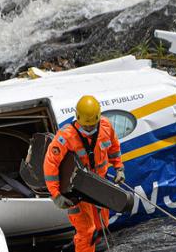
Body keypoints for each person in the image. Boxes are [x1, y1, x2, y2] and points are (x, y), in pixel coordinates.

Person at [43, 95, 125, 252]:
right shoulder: (66, 137)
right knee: (86, 232)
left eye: (92, 125)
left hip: (99, 187)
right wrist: (56, 195)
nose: (89, 129)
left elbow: (114, 147)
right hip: (77, 192)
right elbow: (50, 164)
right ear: (78, 118)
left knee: (101, 226)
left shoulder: (106, 127)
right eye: (85, 126)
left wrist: (119, 168)